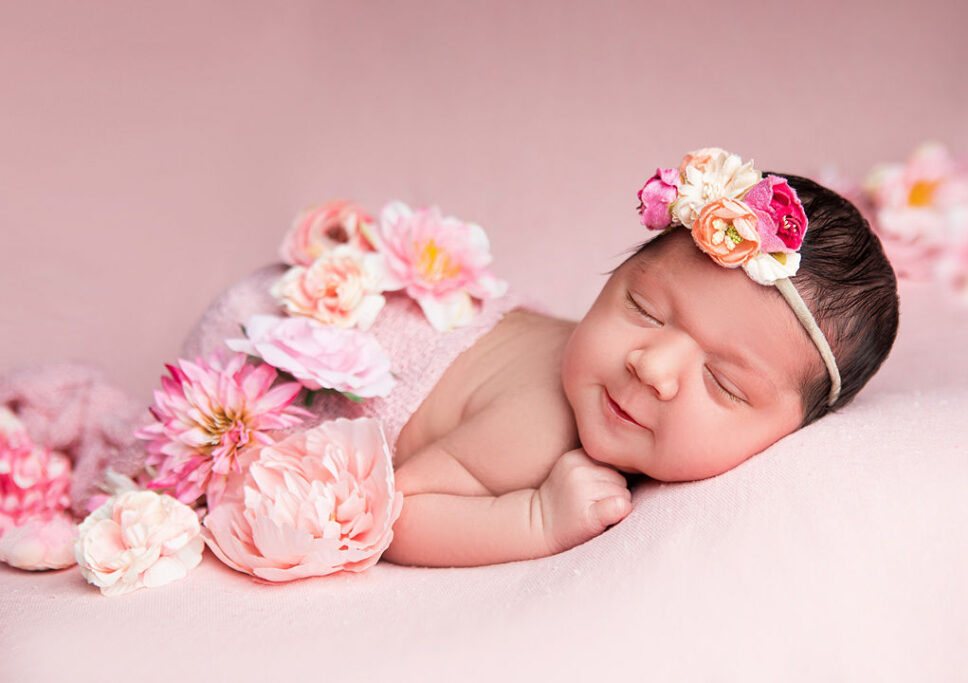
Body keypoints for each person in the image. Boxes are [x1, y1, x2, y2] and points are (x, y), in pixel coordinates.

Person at [178, 148, 899, 568]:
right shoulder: (537, 426)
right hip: (265, 347)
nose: (651, 365)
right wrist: (534, 518)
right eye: (642, 307)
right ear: (614, 277)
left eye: (723, 381)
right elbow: (399, 509)